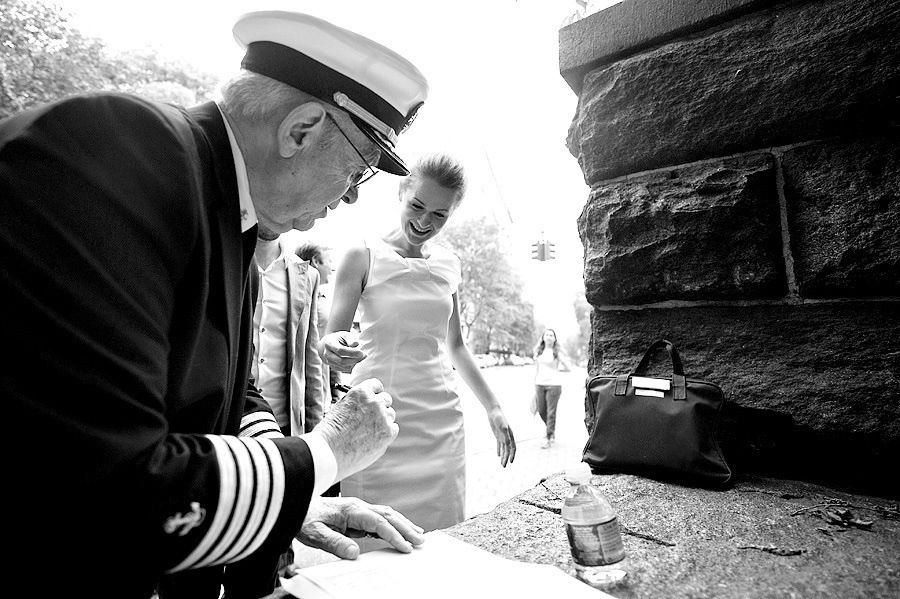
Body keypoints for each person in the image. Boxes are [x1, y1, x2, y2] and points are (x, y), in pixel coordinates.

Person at [2, 10, 431, 599]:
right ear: (301, 130)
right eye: (356, 171)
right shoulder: (124, 148)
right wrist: (324, 455)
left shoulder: (228, 219)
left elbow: (226, 393)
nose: (351, 196)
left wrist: (289, 501)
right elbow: (112, 491)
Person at [319, 153, 517, 537]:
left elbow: (457, 347)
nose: (425, 222)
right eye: (417, 206)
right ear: (402, 191)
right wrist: (333, 347)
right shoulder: (362, 255)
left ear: (452, 213)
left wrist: (493, 408)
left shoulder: (449, 264)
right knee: (375, 536)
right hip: (377, 416)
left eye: (440, 215)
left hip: (440, 423)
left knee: (443, 537)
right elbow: (333, 337)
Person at [296, 240, 344, 408]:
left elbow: (331, 346)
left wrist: (335, 394)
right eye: (329, 261)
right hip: (303, 399)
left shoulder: (323, 301)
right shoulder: (296, 299)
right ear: (316, 261)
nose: (332, 268)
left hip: (322, 398)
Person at [532, 328, 573, 448]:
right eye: (547, 335)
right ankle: (551, 431)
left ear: (554, 339)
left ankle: (548, 436)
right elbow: (536, 370)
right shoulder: (539, 352)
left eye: (551, 335)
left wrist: (558, 370)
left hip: (554, 385)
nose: (549, 337)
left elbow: (568, 367)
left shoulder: (556, 352)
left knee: (551, 412)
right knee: (541, 410)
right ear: (543, 337)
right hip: (540, 384)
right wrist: (534, 385)